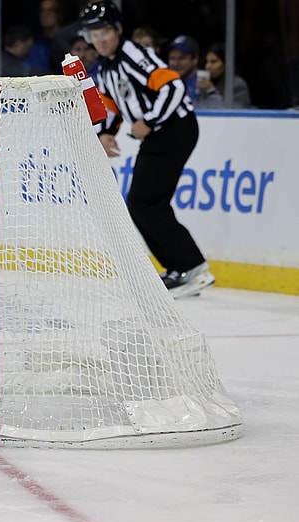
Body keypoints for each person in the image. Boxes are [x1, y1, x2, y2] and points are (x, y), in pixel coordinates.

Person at [80, 0, 215, 298]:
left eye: (104, 31)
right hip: (163, 133)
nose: (100, 39)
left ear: (117, 30)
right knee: (146, 204)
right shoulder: (104, 68)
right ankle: (182, 268)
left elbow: (173, 88)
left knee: (144, 203)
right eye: (93, 34)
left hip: (174, 129)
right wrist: (105, 132)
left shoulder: (132, 54)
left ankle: (191, 267)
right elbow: (112, 104)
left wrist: (149, 121)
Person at [166, 35, 223, 109]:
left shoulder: (207, 80)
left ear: (195, 59)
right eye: (172, 58)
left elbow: (222, 112)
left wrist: (211, 91)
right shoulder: (165, 83)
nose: (176, 63)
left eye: (181, 58)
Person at [199, 42, 251, 109]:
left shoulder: (238, 85)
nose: (208, 66)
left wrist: (211, 91)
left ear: (226, 63)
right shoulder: (204, 85)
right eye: (207, 62)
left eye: (213, 62)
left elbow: (234, 113)